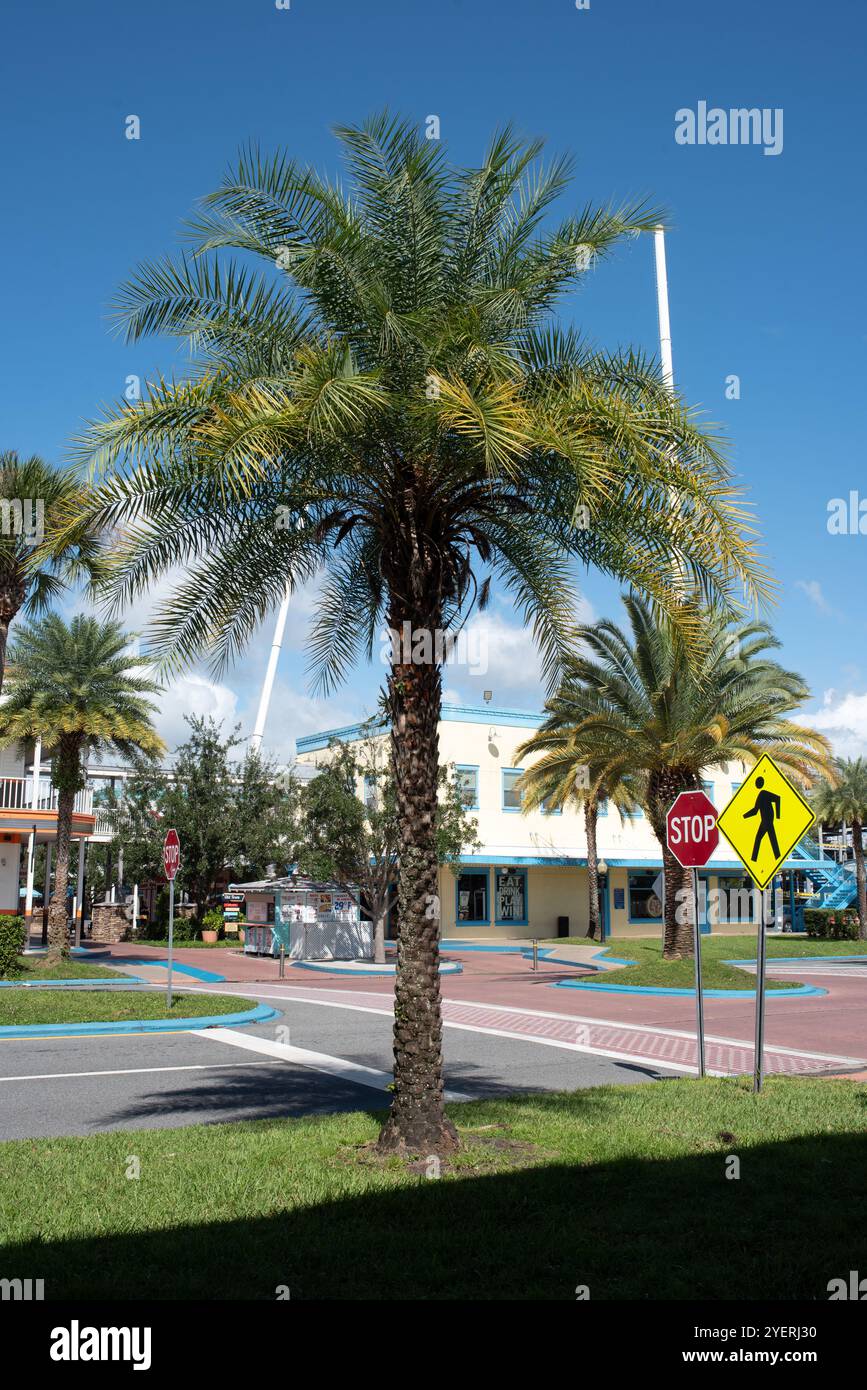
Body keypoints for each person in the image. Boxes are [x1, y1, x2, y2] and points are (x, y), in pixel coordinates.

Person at [743, 776, 781, 860]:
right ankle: (755, 858)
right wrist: (743, 816)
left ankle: (754, 858)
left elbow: (778, 798)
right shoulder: (760, 795)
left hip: (768, 820)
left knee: (762, 839)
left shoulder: (763, 793)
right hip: (764, 821)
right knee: (769, 839)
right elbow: (755, 811)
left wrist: (778, 816)